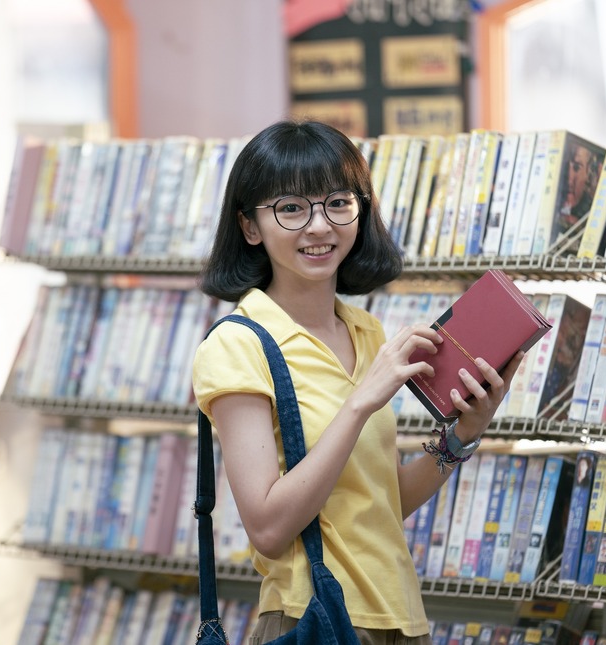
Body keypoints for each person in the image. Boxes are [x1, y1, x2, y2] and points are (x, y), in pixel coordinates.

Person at [191, 120, 522, 645]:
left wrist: (463, 434)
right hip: (313, 618)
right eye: (291, 208)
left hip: (401, 619)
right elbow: (268, 529)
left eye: (338, 203)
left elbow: (383, 501)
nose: (319, 226)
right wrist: (360, 402)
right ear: (250, 226)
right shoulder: (239, 343)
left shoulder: (366, 332)